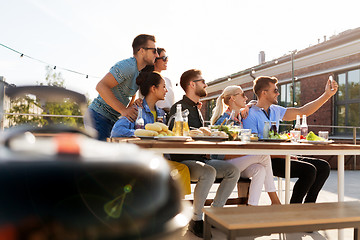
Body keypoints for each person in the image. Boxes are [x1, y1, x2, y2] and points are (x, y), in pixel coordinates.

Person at [243, 76, 338, 204]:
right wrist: (283, 155)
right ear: (264, 93)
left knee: (323, 167)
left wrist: (327, 95)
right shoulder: (250, 114)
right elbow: (253, 147)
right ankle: (294, 208)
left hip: (282, 156)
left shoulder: (275, 110)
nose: (278, 93)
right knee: (309, 170)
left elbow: (303, 111)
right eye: (275, 90)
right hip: (268, 160)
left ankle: (309, 207)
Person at [169, 69, 241, 238]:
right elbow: (176, 135)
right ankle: (197, 219)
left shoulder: (196, 108)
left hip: (201, 159)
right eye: (202, 81)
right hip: (184, 161)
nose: (205, 84)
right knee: (209, 172)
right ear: (192, 85)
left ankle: (214, 215)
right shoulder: (178, 108)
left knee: (233, 170)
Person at [110, 71, 191, 197]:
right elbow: (116, 131)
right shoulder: (137, 110)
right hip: (140, 160)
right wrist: (143, 134)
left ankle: (176, 206)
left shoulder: (161, 114)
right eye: (163, 87)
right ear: (153, 88)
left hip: (159, 159)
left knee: (182, 169)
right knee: (179, 170)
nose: (166, 90)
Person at [210, 85, 281, 206]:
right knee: (264, 155)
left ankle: (251, 207)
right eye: (242, 95)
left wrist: (248, 105)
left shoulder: (239, 118)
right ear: (232, 98)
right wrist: (245, 152)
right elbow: (217, 155)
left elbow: (254, 103)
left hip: (238, 163)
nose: (246, 97)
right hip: (223, 165)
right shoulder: (224, 121)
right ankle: (275, 201)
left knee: (260, 169)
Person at [86, 34, 159, 141]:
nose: (157, 55)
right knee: (100, 156)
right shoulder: (128, 66)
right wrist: (123, 110)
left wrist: (133, 104)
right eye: (154, 51)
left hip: (111, 119)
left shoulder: (139, 71)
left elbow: (130, 93)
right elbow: (101, 86)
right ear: (142, 51)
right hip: (98, 116)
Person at [154, 48, 175, 114]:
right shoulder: (147, 80)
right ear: (154, 60)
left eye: (167, 58)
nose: (166, 61)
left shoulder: (168, 81)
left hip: (170, 117)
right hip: (156, 119)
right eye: (164, 58)